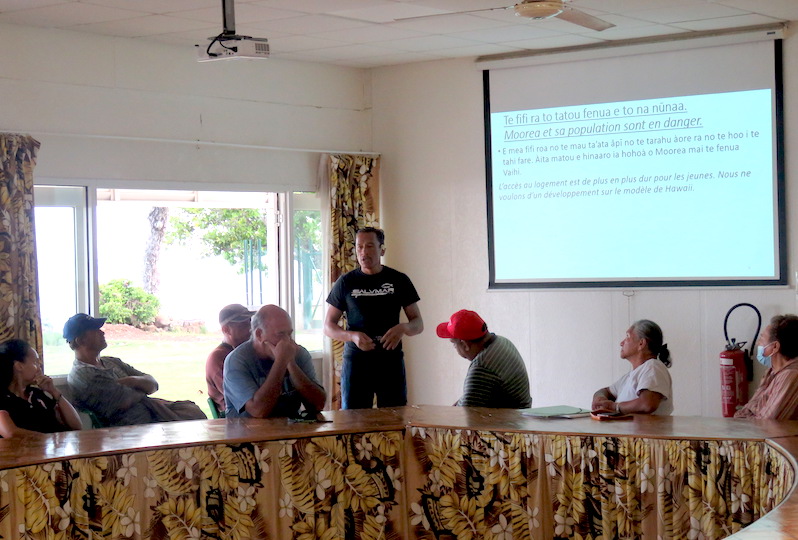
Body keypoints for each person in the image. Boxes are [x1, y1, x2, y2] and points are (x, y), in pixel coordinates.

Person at [324, 227, 423, 409]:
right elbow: (328, 326)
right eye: (359, 247)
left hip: (390, 361)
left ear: (382, 250)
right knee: (354, 420)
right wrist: (352, 336)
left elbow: (418, 323)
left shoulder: (399, 280)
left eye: (369, 246)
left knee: (394, 418)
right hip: (357, 362)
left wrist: (403, 328)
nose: (363, 252)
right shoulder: (346, 282)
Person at [65, 313, 207, 426]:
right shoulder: (84, 375)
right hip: (134, 430)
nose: (102, 332)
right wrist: (142, 387)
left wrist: (132, 381)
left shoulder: (111, 361)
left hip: (153, 417)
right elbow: (124, 400)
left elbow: (153, 384)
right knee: (195, 422)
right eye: (95, 330)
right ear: (81, 340)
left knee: (194, 411)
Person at [224, 305, 326, 418]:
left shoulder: (298, 353)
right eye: (280, 334)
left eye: (289, 334)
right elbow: (259, 411)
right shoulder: (236, 360)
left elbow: (318, 405)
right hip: (246, 428)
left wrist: (291, 364)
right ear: (259, 334)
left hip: (290, 427)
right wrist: (281, 361)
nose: (287, 341)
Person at [436, 309, 531, 408]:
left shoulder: (482, 367)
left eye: (454, 344)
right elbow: (470, 399)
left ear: (465, 345)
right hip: (518, 415)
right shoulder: (502, 342)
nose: (455, 348)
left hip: (508, 418)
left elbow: (465, 415)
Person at [592, 319, 673, 415]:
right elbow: (605, 391)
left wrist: (614, 407)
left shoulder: (653, 367)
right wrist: (600, 399)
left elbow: (647, 404)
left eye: (627, 336)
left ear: (641, 343)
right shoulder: (629, 376)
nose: (621, 343)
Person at [0, 339, 82, 433]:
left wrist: (54, 392)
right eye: (35, 362)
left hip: (57, 441)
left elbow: (77, 426)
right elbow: (12, 434)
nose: (39, 368)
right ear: (19, 366)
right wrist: (48, 438)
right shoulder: (3, 400)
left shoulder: (36, 394)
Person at [735, 314, 798, 420]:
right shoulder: (772, 372)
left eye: (761, 339)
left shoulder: (790, 375)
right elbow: (747, 411)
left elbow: (767, 423)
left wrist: (747, 416)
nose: (757, 344)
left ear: (775, 347)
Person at [206, 303, 253, 412]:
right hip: (237, 417)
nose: (250, 329)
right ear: (226, 329)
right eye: (243, 326)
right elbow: (242, 397)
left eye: (250, 323)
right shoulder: (218, 358)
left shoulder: (247, 352)